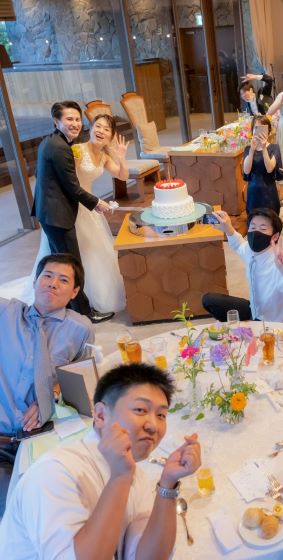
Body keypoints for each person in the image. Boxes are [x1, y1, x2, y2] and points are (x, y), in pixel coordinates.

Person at [0, 362, 202, 559]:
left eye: (161, 415)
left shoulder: (138, 477)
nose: (153, 426)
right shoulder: (54, 472)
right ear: (100, 415)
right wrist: (120, 477)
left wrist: (167, 484)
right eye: (140, 410)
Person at [0, 253, 94, 515]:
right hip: (2, 438)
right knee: (10, 515)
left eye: (63, 280)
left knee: (59, 507)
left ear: (74, 292)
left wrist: (51, 393)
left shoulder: (80, 329)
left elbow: (81, 378)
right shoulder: (5, 313)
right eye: (47, 276)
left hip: (43, 437)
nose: (53, 283)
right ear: (35, 281)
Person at [31, 101, 113, 323]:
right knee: (71, 266)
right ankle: (84, 313)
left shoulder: (51, 141)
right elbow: (72, 187)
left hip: (49, 211)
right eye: (69, 119)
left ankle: (63, 306)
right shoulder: (60, 148)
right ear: (56, 121)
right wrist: (97, 203)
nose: (75, 123)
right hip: (57, 215)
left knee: (61, 263)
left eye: (77, 119)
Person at [202, 209, 283, 322]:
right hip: (254, 310)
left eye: (263, 228)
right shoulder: (249, 250)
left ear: (275, 236)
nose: (256, 232)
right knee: (209, 301)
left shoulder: (279, 264)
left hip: (273, 324)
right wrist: (228, 228)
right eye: (252, 227)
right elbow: (239, 245)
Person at [243, 115, 282, 214]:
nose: (259, 131)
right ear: (252, 130)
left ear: (268, 131)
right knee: (253, 218)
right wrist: (252, 150)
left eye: (262, 128)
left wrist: (264, 147)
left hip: (269, 191)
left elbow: (269, 168)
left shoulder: (274, 147)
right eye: (256, 128)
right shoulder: (248, 149)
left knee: (271, 218)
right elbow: (246, 170)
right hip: (253, 192)